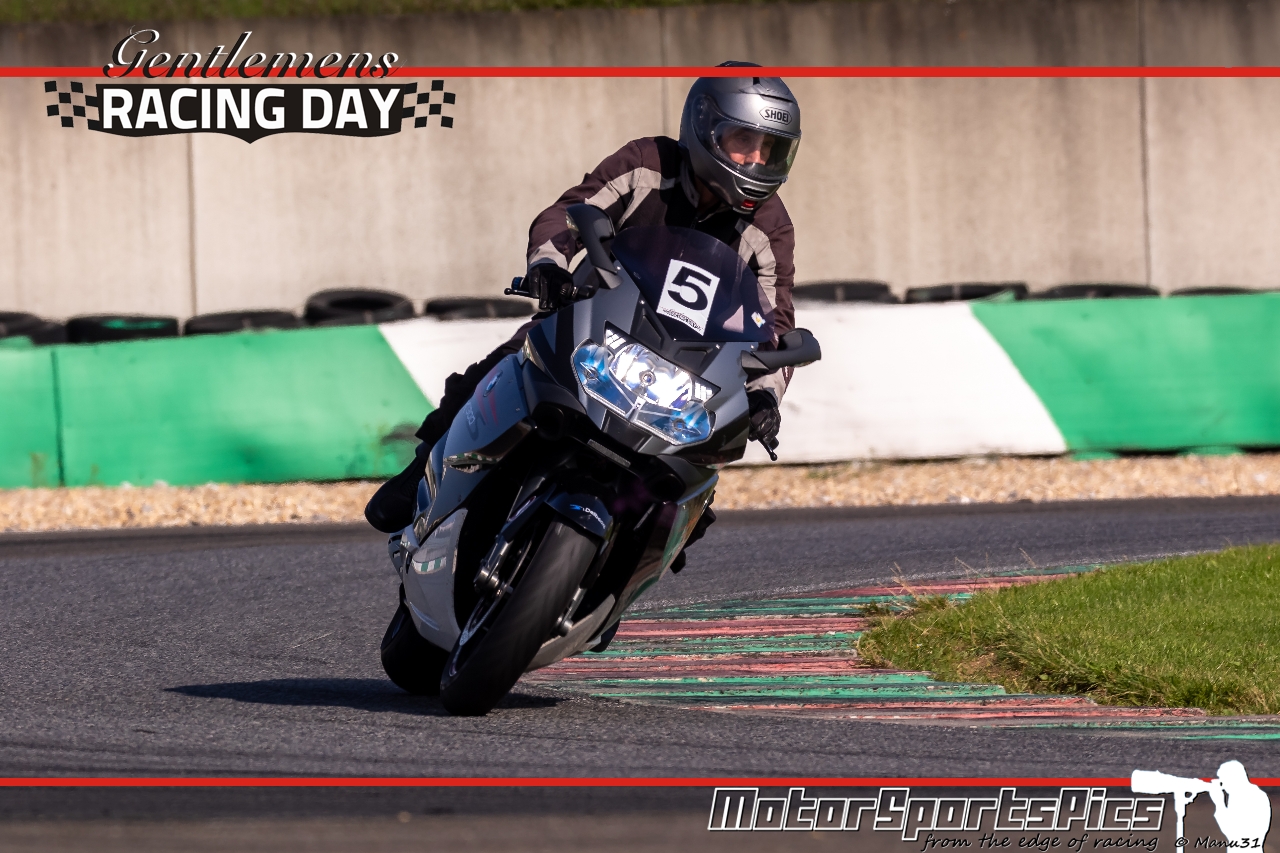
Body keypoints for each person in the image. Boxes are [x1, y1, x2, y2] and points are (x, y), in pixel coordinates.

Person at [366, 62, 803, 572]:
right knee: (497, 369)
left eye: (770, 148)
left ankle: (620, 576)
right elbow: (569, 214)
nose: (756, 159)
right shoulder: (647, 162)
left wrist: (764, 396)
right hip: (597, 325)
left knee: (693, 495)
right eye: (744, 140)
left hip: (688, 374)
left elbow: (775, 324)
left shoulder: (770, 226)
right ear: (705, 127)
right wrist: (548, 267)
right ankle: (425, 471)